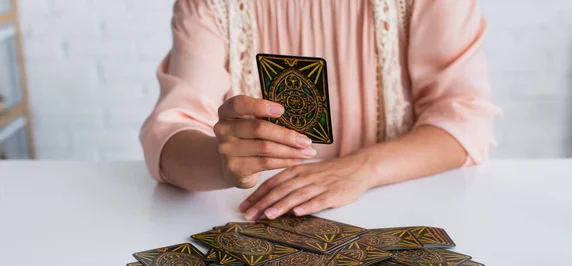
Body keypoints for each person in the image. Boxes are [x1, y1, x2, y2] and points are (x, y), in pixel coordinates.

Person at [140, 0, 501, 221]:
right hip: (259, 218)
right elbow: (170, 137)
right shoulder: (210, 4)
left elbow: (464, 119)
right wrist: (223, 164)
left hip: (405, 208)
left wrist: (360, 170)